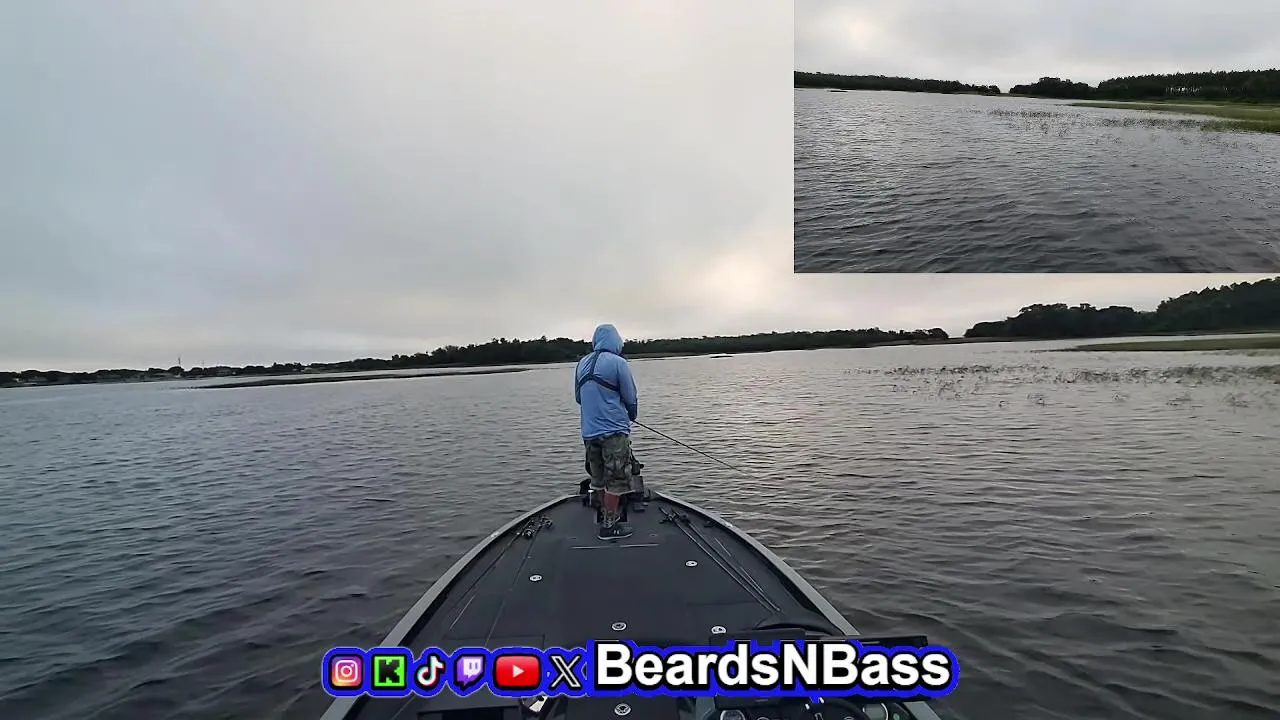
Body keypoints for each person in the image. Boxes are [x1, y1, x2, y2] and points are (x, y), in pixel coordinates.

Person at [574, 323, 639, 540]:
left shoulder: (581, 363)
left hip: (589, 433)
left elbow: (578, 398)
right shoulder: (619, 363)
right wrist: (631, 415)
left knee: (599, 479)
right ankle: (609, 526)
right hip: (614, 432)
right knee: (617, 480)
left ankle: (605, 516)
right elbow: (630, 397)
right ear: (616, 340)